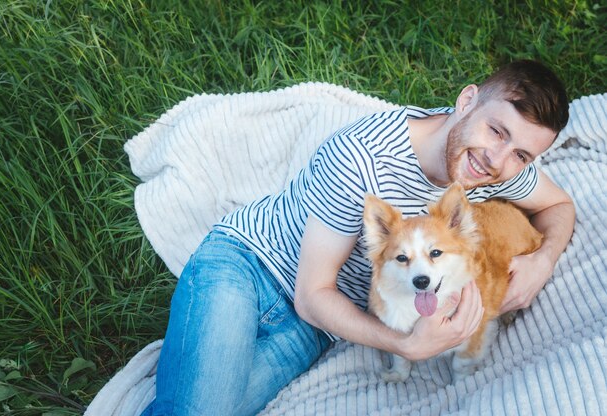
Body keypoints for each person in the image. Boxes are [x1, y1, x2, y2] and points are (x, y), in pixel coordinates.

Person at [141, 60, 574, 416]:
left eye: (521, 153)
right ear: (466, 102)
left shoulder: (494, 170)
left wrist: (543, 260)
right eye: (496, 131)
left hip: (314, 325)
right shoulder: (362, 159)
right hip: (248, 264)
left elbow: (560, 206)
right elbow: (312, 293)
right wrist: (406, 343)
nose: (497, 160)